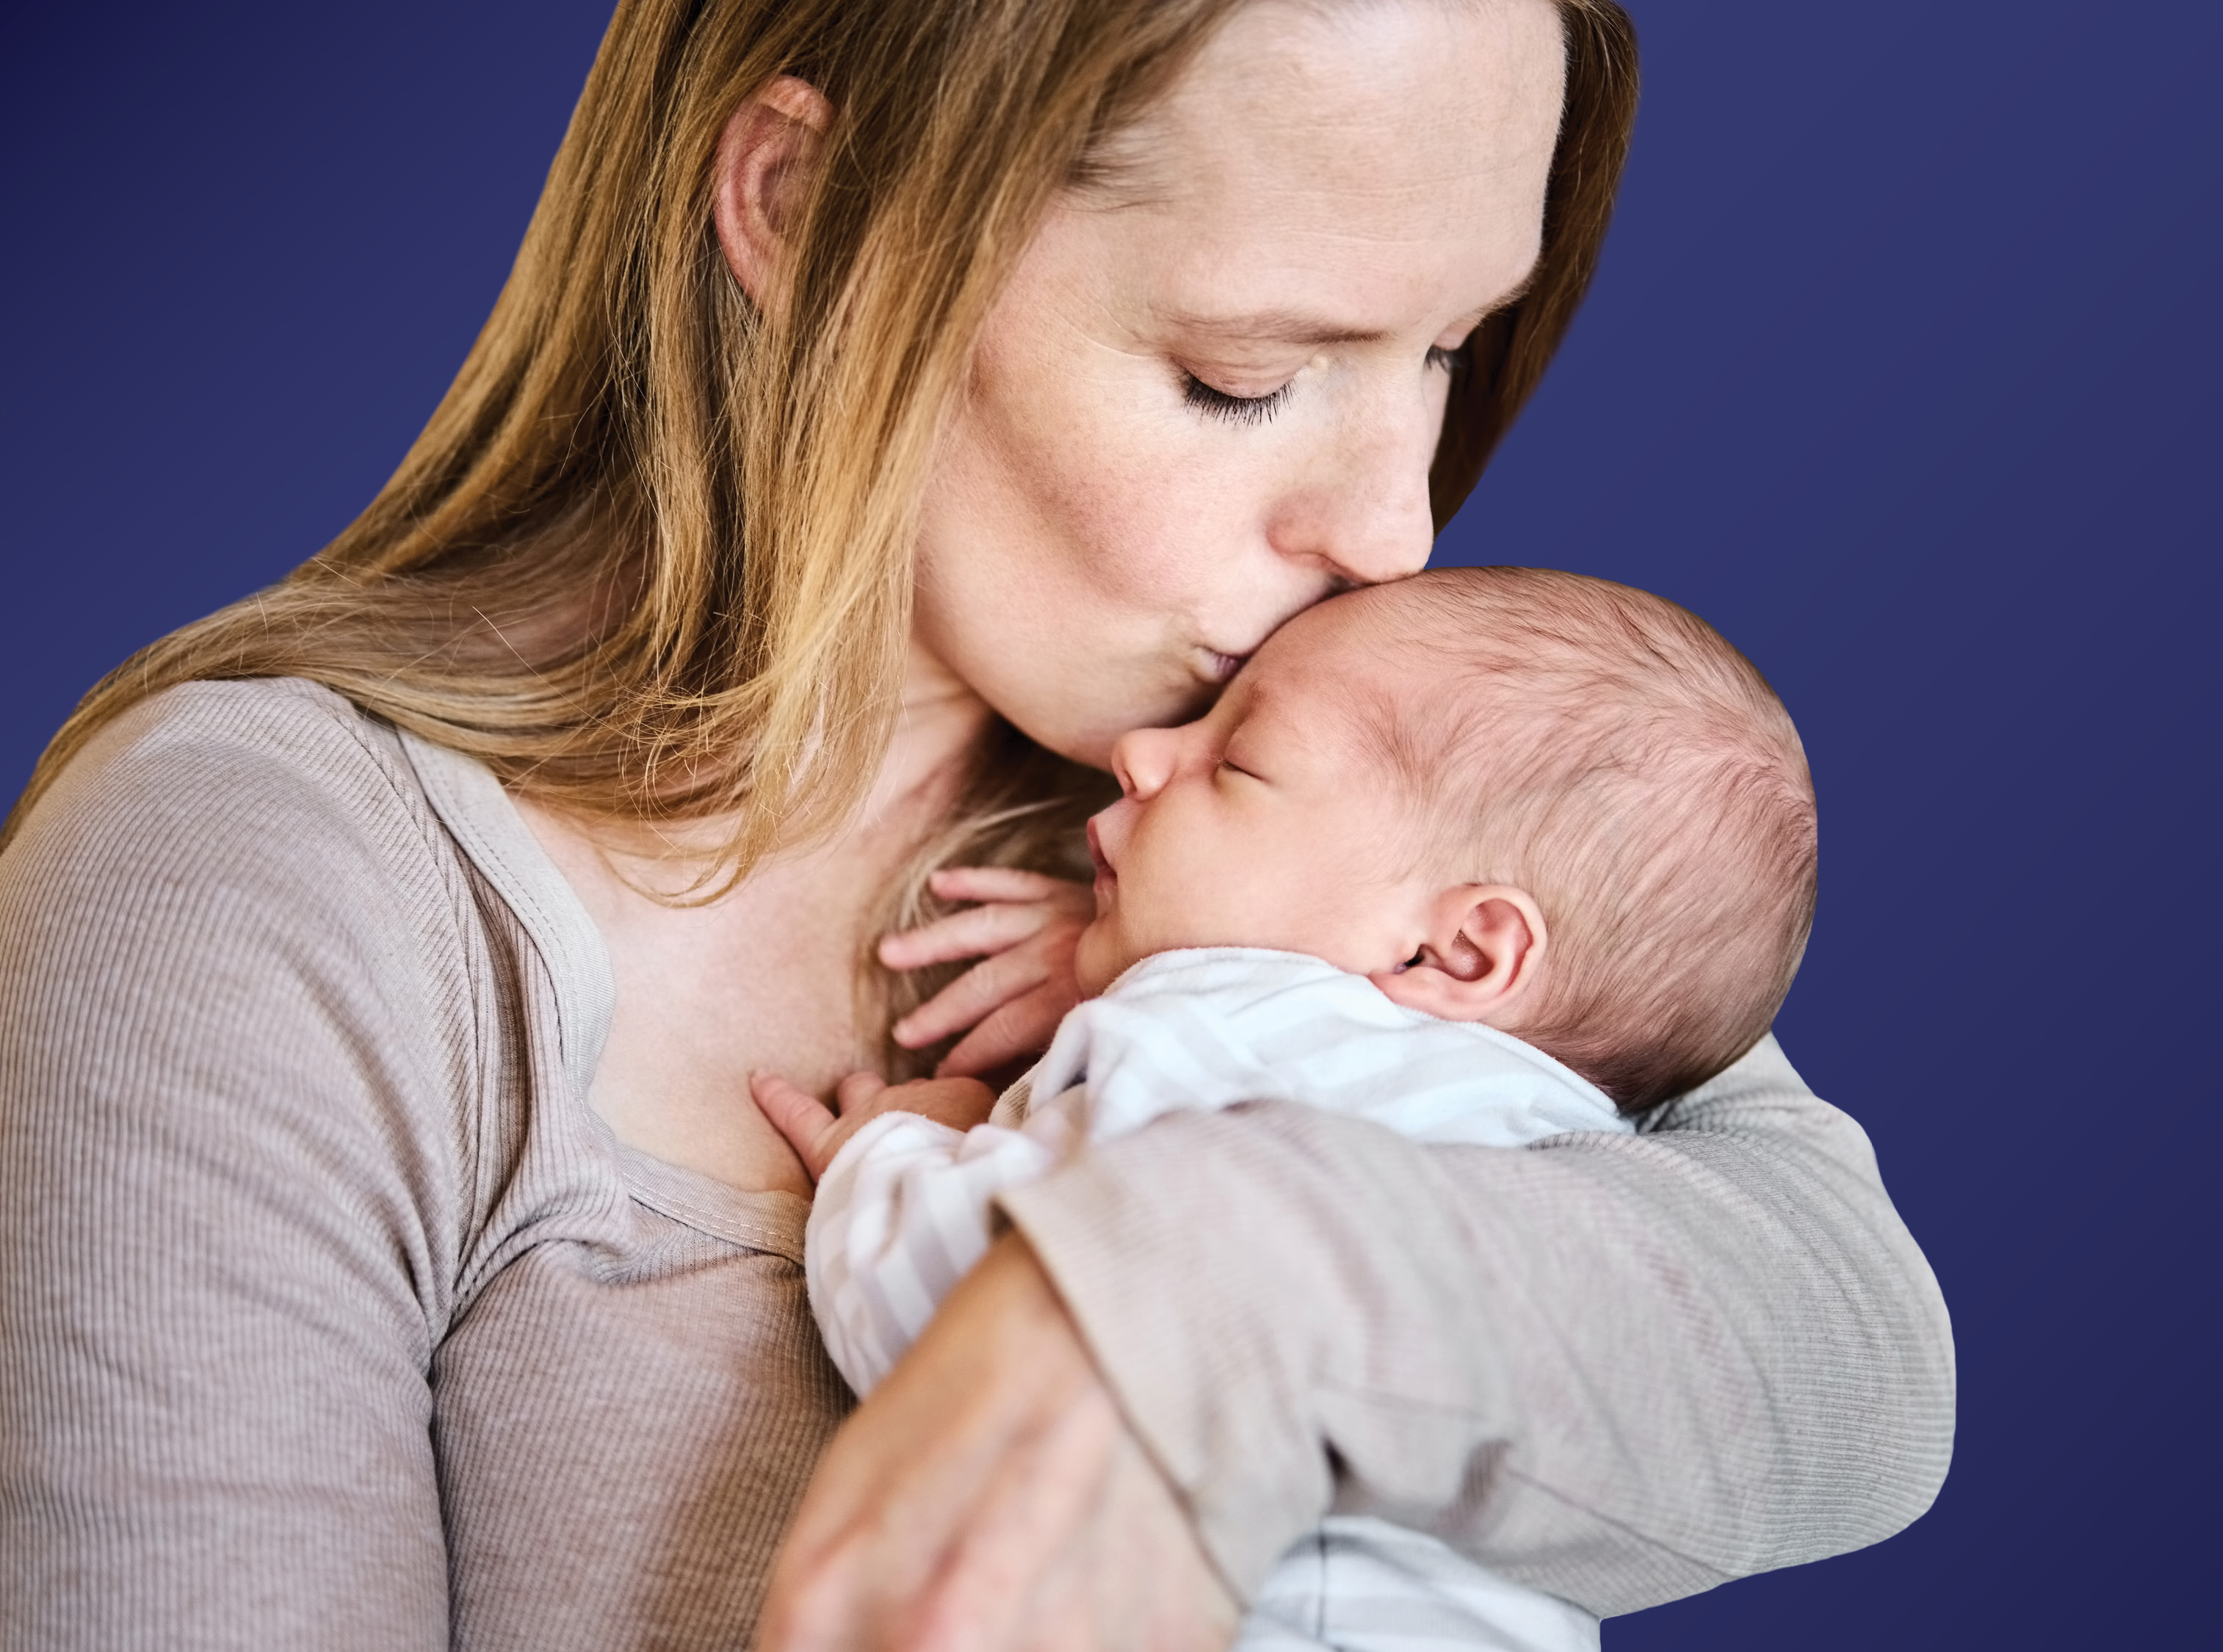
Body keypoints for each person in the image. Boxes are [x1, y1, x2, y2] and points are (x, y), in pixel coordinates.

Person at [0, 3, 1954, 1648]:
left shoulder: (1291, 797)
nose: (1395, 529)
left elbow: (1858, 1353)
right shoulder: (261, 886)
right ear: (810, 210)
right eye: (1245, 376)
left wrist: (1181, 1295)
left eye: (1446, 350)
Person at [754, 567, 1817, 1652]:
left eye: (1240, 762)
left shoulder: (1218, 1032)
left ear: (1454, 947)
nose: (1145, 753)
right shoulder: (1584, 1152)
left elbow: (949, 1321)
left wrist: (894, 1148)